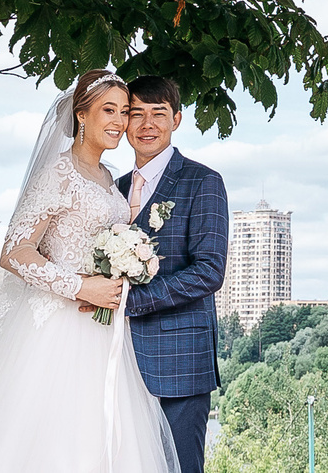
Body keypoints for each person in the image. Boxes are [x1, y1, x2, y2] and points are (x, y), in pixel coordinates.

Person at [0, 70, 179, 473]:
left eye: (124, 111)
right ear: (81, 115)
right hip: (58, 325)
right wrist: (80, 287)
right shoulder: (58, 173)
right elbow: (13, 251)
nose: (119, 121)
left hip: (103, 329)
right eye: (108, 110)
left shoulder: (109, 177)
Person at [99, 76, 227, 473]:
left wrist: (128, 301)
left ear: (177, 120)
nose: (147, 124)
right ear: (124, 122)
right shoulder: (111, 189)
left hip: (179, 361)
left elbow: (209, 271)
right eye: (136, 114)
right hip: (114, 359)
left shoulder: (203, 181)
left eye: (158, 114)